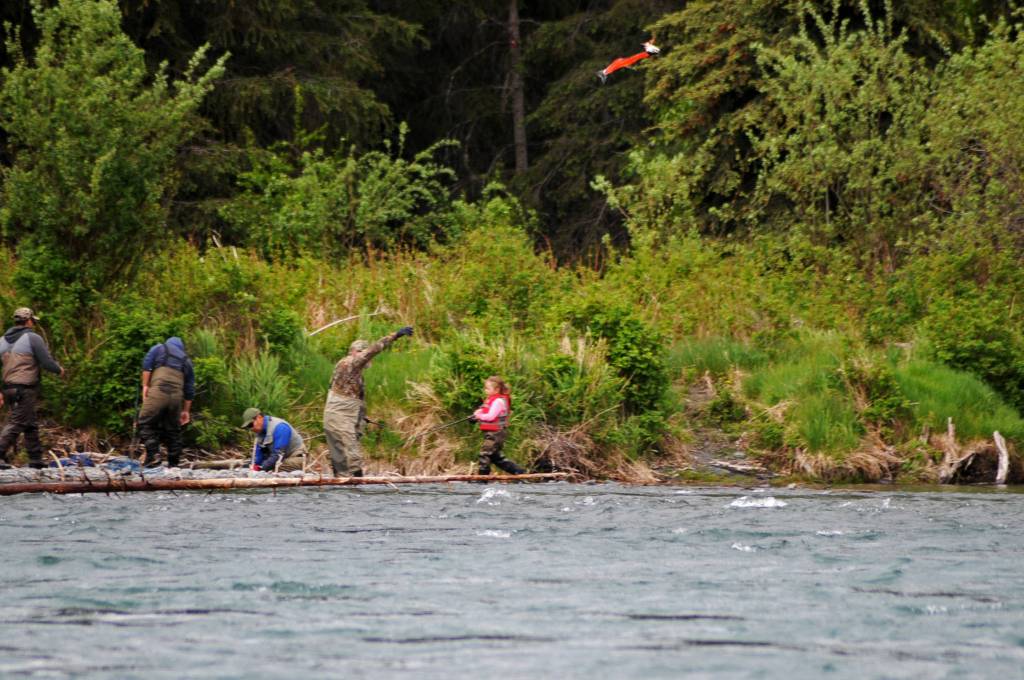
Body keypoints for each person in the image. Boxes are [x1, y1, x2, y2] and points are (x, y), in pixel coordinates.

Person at [323, 326, 413, 476]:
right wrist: (395, 335)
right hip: (339, 416)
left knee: (341, 452)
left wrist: (361, 418)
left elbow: (349, 395)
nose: (363, 356)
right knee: (349, 452)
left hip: (339, 414)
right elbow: (373, 350)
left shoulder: (354, 371)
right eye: (360, 352)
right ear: (353, 352)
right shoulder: (350, 363)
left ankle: (342, 483)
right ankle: (356, 482)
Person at [0, 307, 65, 469]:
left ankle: (35, 460)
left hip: (8, 388)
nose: (33, 324)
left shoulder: (2, 340)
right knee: (17, 423)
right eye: (33, 321)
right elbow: (46, 362)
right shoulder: (33, 338)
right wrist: (59, 369)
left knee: (30, 422)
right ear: (28, 321)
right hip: (24, 388)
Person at [138, 337, 195, 468]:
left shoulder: (158, 348)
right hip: (176, 397)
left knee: (145, 422)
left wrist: (145, 386)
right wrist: (186, 411)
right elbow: (190, 389)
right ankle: (174, 465)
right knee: (173, 430)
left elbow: (147, 366)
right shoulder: (186, 360)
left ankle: (153, 456)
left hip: (159, 390)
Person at [472, 375, 525, 476]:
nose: (485, 390)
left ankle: (482, 478)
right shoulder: (492, 399)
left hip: (496, 433)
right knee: (496, 457)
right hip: (494, 433)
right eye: (485, 388)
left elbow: (491, 417)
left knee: (485, 454)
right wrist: (475, 415)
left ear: (496, 389)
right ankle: (519, 472)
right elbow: (483, 410)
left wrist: (479, 416)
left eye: (488, 388)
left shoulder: (498, 401)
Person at [241, 407, 307, 471]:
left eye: (250, 425)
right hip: (282, 459)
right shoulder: (260, 433)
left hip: (297, 459)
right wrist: (249, 466)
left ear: (259, 417)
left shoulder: (280, 427)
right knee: (261, 468)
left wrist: (261, 468)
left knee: (272, 469)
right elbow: (258, 458)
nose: (251, 429)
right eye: (248, 427)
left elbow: (277, 455)